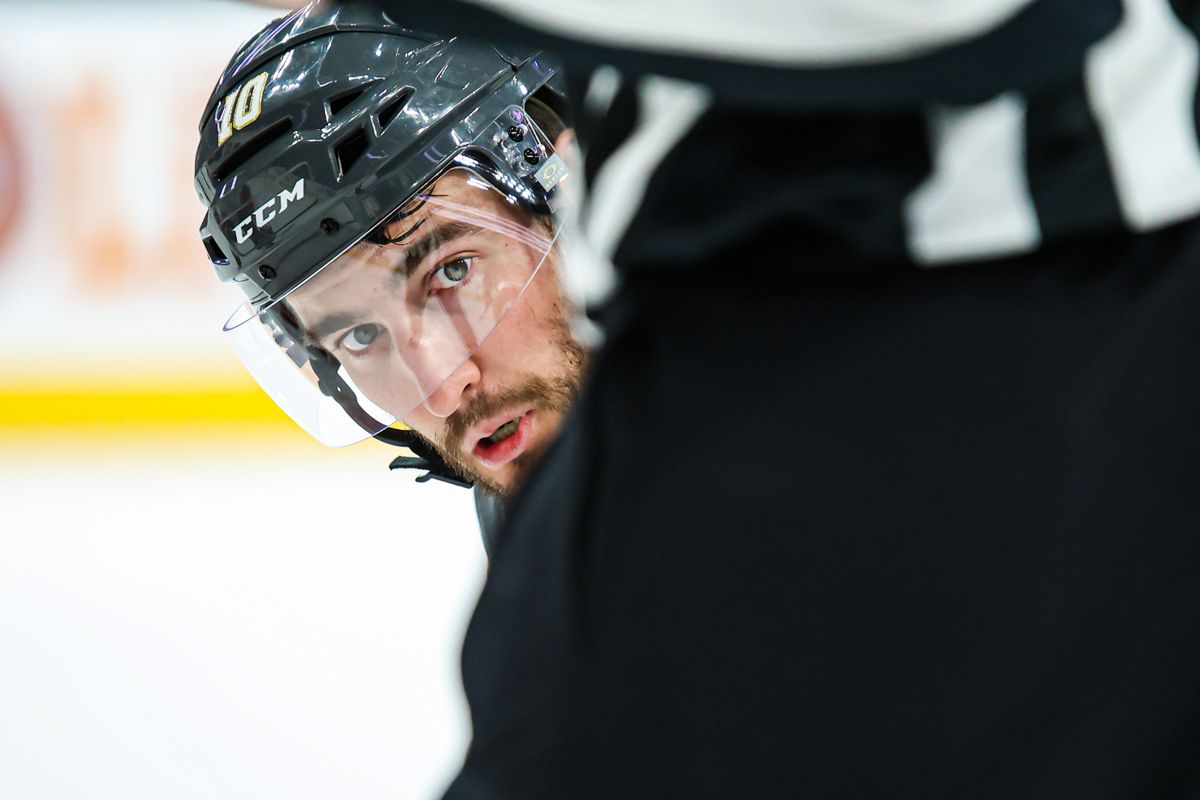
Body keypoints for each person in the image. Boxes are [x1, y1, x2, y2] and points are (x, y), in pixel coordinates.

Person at [305, 1, 1198, 798]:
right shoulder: (570, 518)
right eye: (356, 336)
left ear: (560, 172)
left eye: (455, 271)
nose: (439, 380)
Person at [194, 2, 586, 550]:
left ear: (573, 199)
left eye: (453, 271)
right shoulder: (536, 528)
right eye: (360, 337)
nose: (443, 391)